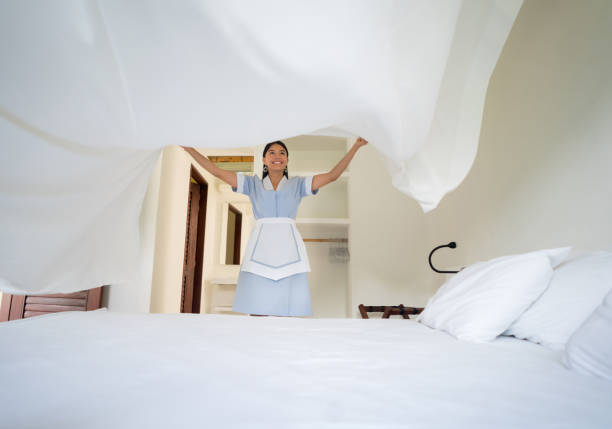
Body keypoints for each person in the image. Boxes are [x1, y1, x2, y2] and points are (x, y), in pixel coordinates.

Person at [182, 137, 368, 316]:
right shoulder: (252, 184)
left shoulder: (298, 184)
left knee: (286, 310)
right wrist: (189, 149)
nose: (277, 156)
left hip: (290, 252)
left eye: (282, 153)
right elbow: (217, 171)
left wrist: (356, 147)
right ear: (264, 160)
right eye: (271, 152)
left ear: (287, 160)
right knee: (258, 308)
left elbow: (332, 176)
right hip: (259, 252)